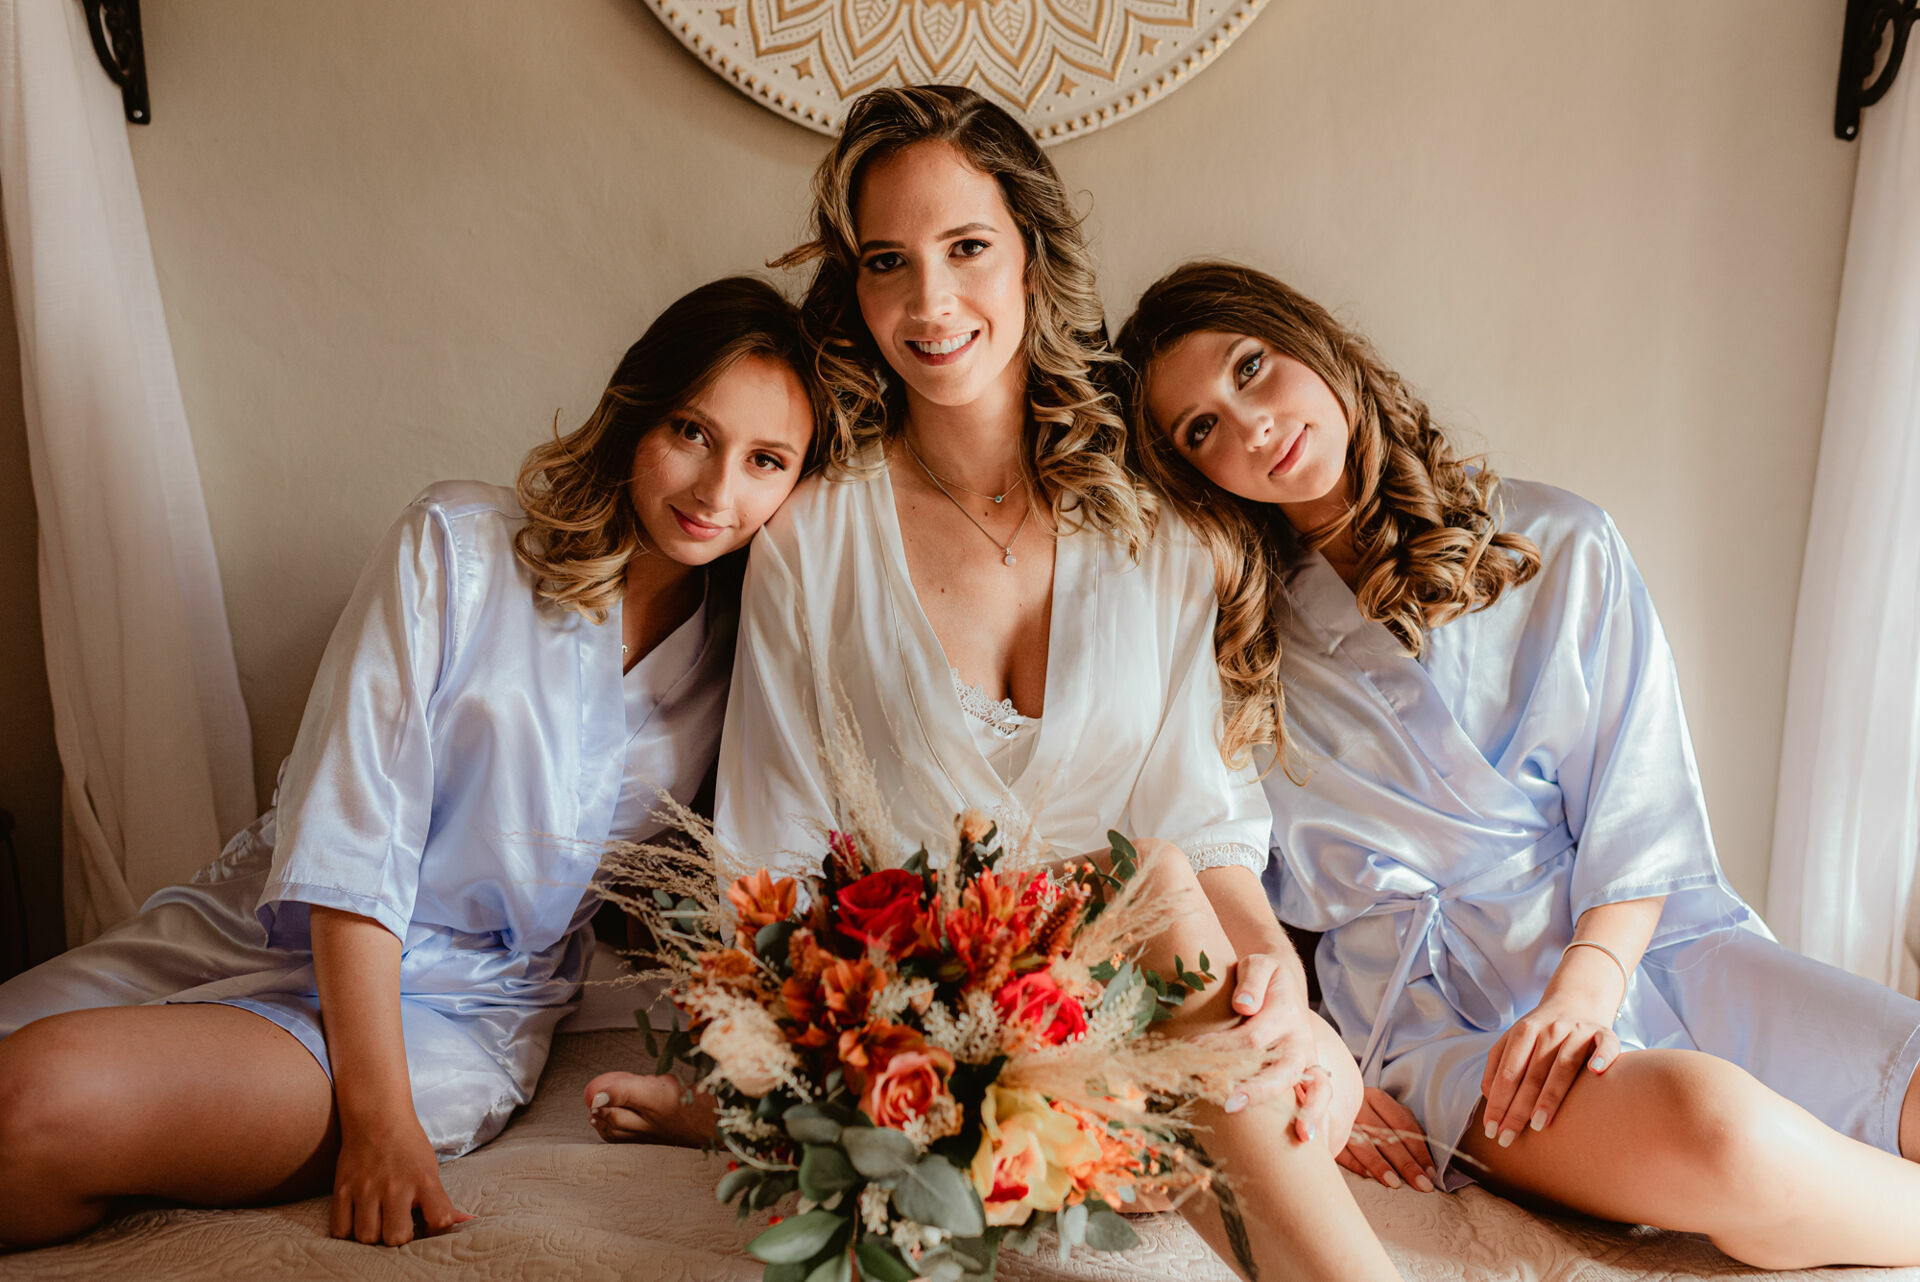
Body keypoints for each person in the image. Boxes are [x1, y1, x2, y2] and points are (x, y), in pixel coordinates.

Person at [582, 88, 1400, 1282]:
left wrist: (1285, 998)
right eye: (886, 263)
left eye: (967, 248)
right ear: (853, 291)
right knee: (1153, 883)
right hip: (920, 1022)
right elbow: (772, 859)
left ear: (1030, 253)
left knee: (1203, 941)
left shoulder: (1163, 526)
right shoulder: (813, 538)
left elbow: (1209, 828)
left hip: (1143, 1015)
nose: (930, 303)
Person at [1118, 259, 1920, 1270]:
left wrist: (1585, 991)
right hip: (1444, 1024)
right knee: (1721, 1132)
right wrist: (1322, 1053)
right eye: (1200, 431)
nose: (1248, 427)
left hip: (1644, 947)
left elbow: (1645, 819)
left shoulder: (1561, 542)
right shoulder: (1236, 650)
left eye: (1251, 367)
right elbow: (1220, 866)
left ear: (1312, 345)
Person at [0, 276, 825, 1250]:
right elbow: (353, 834)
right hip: (254, 932)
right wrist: (375, 1129)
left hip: (455, 1014)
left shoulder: (748, 661)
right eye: (693, 431)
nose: (717, 491)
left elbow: (771, 891)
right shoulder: (457, 546)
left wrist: (388, 1121)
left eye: (765, 459)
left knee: (30, 1105)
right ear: (637, 411)